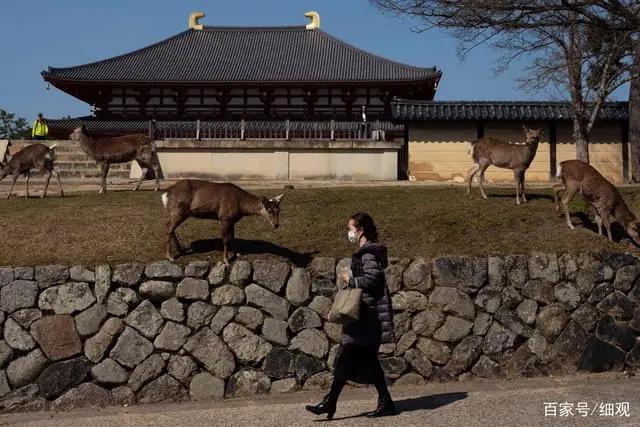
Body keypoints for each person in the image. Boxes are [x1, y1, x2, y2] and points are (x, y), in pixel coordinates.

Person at [306, 212, 396, 419]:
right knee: (367, 361)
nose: (349, 233)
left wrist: (351, 279)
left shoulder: (367, 254)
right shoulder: (367, 252)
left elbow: (373, 280)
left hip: (367, 317)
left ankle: (330, 403)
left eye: (350, 228)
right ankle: (385, 403)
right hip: (366, 316)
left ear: (360, 230)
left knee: (347, 357)